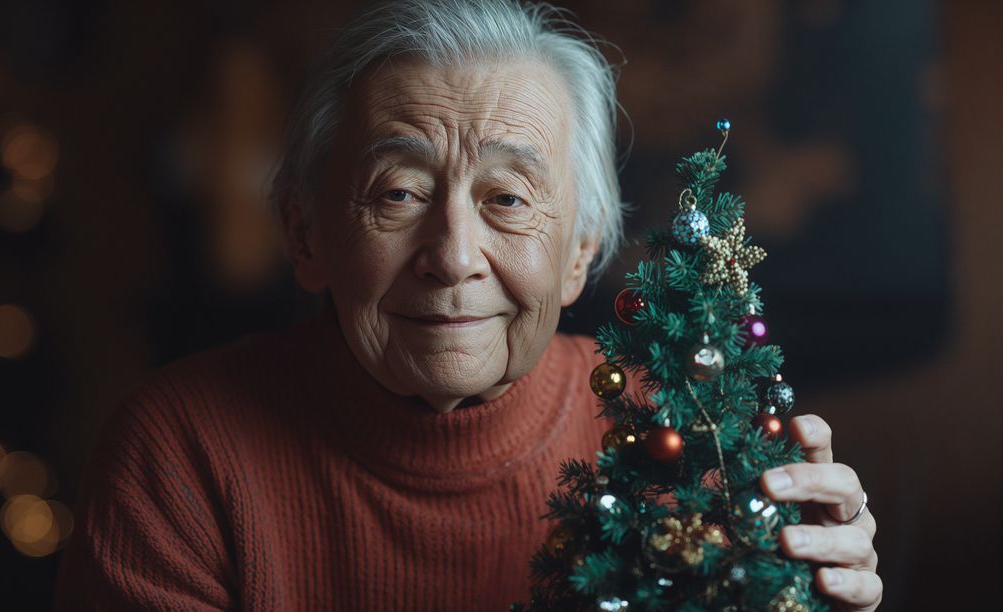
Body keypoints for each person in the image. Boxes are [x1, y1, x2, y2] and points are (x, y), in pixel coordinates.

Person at [54, 1, 881, 610]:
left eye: (509, 200)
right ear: (305, 236)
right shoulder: (179, 452)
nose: (452, 257)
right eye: (400, 191)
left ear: (582, 251)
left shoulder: (677, 426)